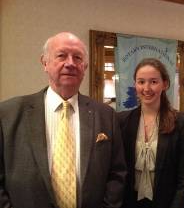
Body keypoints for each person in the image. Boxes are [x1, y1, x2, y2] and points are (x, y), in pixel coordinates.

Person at [0, 32, 126, 208]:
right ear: (45, 62)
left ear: (85, 66)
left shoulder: (106, 115)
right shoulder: (8, 113)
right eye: (61, 56)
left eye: (77, 57)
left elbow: (117, 174)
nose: (70, 63)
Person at [118, 58, 184, 208]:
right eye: (141, 82)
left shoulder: (180, 122)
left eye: (153, 82)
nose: (146, 88)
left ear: (164, 84)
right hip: (129, 203)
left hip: (166, 203)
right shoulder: (122, 121)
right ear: (135, 85)